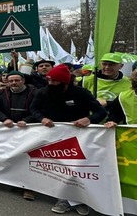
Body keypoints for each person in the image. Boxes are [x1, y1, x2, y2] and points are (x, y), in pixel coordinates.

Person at [30, 65, 106, 215]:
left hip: (79, 137)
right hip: (53, 136)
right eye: (49, 81)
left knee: (78, 169)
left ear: (65, 82)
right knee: (60, 169)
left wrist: (88, 119)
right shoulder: (42, 92)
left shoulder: (81, 93)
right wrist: (42, 118)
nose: (51, 84)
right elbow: (33, 109)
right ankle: (64, 199)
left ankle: (81, 199)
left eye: (55, 82)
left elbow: (101, 112)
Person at [0, 71, 38, 200]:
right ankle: (16, 182)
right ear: (7, 82)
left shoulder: (34, 92)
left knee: (27, 159)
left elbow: (37, 110)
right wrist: (4, 119)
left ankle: (29, 188)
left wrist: (27, 120)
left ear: (23, 81)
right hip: (9, 130)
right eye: (11, 81)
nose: (14, 83)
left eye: (17, 80)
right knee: (13, 157)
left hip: (28, 130)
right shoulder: (2, 93)